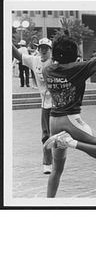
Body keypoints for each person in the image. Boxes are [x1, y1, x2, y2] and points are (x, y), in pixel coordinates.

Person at [42, 27, 96, 197]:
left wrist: (64, 40)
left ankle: (49, 202)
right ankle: (69, 142)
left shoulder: (48, 70)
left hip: (53, 121)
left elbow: (59, 61)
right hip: (71, 120)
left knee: (57, 170)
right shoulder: (79, 68)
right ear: (74, 54)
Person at [12, 38, 53, 174]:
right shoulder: (34, 60)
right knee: (46, 135)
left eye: (46, 48)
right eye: (41, 47)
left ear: (50, 50)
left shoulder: (55, 61)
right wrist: (7, 40)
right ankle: (47, 163)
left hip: (60, 104)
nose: (43, 50)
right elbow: (18, 55)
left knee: (64, 134)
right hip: (46, 104)